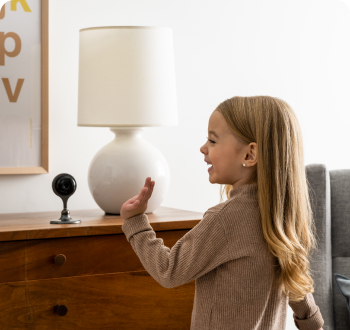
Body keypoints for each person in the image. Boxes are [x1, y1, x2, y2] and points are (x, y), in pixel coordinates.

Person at [120, 95, 325, 330]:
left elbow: (169, 271)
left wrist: (136, 222)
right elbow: (296, 281)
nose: (203, 148)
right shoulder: (280, 217)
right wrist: (313, 323)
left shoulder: (227, 219)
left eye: (213, 140)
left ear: (249, 155)